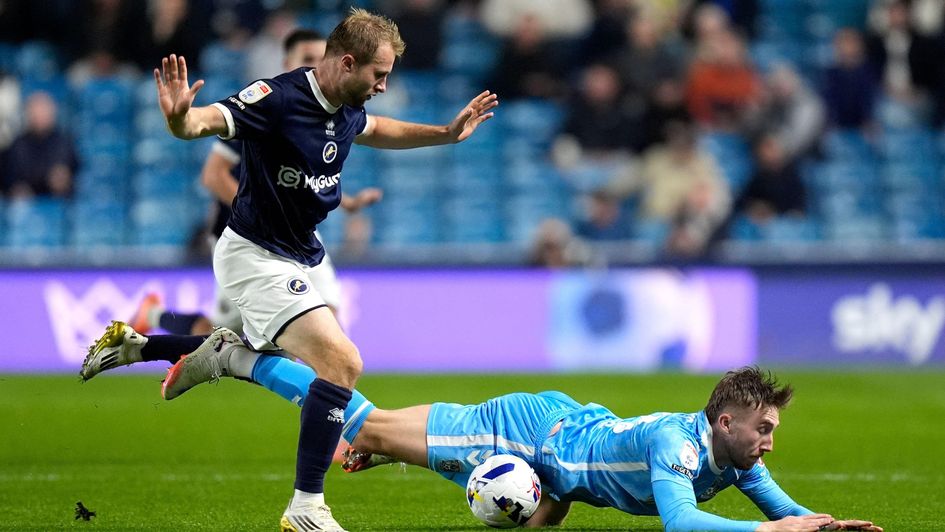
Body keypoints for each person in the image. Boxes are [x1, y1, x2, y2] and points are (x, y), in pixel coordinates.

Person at [80, 8, 498, 531]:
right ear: (347, 63)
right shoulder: (276, 99)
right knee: (341, 363)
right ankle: (306, 508)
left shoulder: (347, 104)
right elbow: (204, 122)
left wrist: (444, 132)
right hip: (255, 256)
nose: (384, 86)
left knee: (295, 364)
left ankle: (154, 348)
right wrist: (179, 119)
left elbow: (379, 129)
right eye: (379, 75)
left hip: (304, 251)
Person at [160, 357, 884, 531]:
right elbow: (681, 524)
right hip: (529, 432)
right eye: (763, 430)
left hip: (563, 464)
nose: (768, 446)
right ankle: (237, 359)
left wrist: (818, 523)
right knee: (363, 422)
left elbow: (781, 509)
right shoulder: (677, 447)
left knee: (530, 519)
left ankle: (394, 449)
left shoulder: (735, 460)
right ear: (725, 423)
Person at [128, 28, 383, 337]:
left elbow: (305, 182)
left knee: (330, 316)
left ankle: (329, 379)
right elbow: (212, 174)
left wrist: (350, 202)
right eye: (308, 58)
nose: (317, 65)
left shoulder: (328, 113)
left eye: (321, 58)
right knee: (219, 334)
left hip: (296, 235)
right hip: (246, 234)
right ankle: (153, 315)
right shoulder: (267, 109)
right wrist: (263, 212)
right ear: (288, 61)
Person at [1, 91, 77, 199]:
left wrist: (64, 180)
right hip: (25, 204)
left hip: (57, 200)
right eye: (36, 111)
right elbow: (9, 177)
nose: (40, 115)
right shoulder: (18, 144)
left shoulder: (64, 142)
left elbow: (71, 174)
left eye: (44, 110)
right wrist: (15, 187)